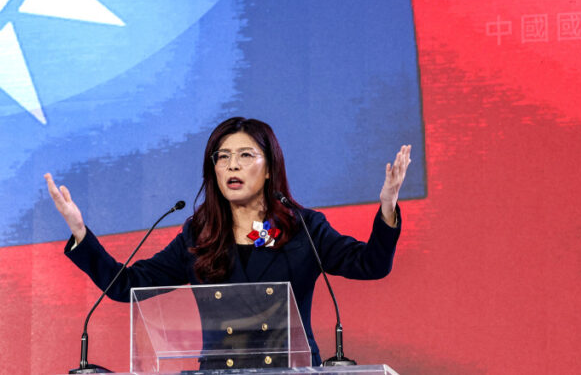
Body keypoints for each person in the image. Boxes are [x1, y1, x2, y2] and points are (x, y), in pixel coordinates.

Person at [45, 116, 411, 368]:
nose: (232, 165)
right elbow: (125, 285)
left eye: (245, 155)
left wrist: (387, 208)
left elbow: (372, 265)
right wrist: (80, 232)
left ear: (269, 169)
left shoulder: (304, 230)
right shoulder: (199, 235)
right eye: (223, 157)